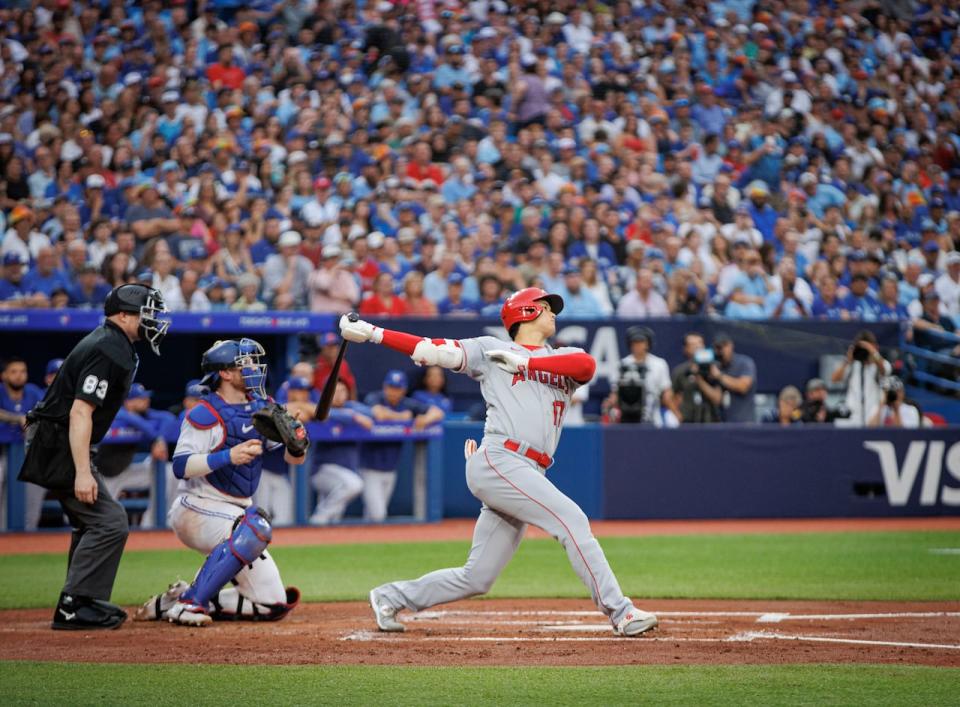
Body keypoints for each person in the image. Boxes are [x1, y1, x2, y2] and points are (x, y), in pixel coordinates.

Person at [341, 287, 658, 637]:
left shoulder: (565, 354)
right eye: (545, 306)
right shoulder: (490, 350)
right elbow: (428, 349)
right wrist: (372, 332)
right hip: (501, 458)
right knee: (572, 520)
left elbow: (586, 366)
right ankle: (622, 612)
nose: (553, 312)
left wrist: (527, 363)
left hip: (529, 468)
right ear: (524, 312)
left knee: (477, 577)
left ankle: (390, 595)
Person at [19, 284, 169, 630]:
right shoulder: (108, 348)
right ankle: (73, 605)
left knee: (90, 521)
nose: (153, 320)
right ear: (122, 315)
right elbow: (80, 412)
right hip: (58, 442)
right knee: (111, 521)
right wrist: (82, 471)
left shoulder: (115, 343)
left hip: (57, 439)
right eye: (146, 313)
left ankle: (81, 600)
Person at [135, 338, 306, 626]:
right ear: (225, 373)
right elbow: (180, 466)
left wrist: (297, 442)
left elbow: (293, 461)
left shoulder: (263, 406)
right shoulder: (205, 412)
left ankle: (174, 601)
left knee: (272, 605)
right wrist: (228, 456)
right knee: (255, 527)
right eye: (245, 364)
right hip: (197, 507)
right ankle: (189, 606)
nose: (254, 369)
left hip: (236, 513)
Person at [359, 370, 445, 522]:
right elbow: (379, 413)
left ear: (404, 389)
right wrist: (403, 417)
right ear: (385, 386)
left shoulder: (406, 403)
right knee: (378, 515)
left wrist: (425, 419)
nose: (394, 391)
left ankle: (362, 542)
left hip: (391, 471)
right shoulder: (375, 398)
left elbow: (438, 412)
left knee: (372, 516)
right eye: (391, 387)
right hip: (369, 469)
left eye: (398, 388)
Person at [96, 383, 175, 528]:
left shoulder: (144, 415)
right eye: (141, 399)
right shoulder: (117, 414)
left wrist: (159, 440)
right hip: (102, 476)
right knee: (98, 519)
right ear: (128, 402)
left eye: (146, 398)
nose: (146, 401)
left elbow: (168, 417)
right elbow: (127, 417)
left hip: (126, 472)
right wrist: (156, 439)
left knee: (169, 472)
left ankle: (150, 525)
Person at [309, 380, 372, 526]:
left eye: (343, 391)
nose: (339, 395)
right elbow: (315, 411)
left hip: (345, 472)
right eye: (335, 391)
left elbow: (370, 412)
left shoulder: (351, 407)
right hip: (323, 470)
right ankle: (319, 518)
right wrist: (352, 417)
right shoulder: (323, 409)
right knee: (354, 485)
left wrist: (352, 413)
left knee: (335, 517)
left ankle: (319, 530)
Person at [0, 357, 44, 527]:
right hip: (2, 452)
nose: (19, 376)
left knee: (33, 494)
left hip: (28, 454)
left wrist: (32, 421)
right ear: (4, 375)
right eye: (14, 372)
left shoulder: (32, 392)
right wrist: (16, 418)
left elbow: (45, 411)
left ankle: (27, 538)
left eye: (22, 371)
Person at [603, 326, 676, 426]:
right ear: (630, 344)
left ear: (648, 344)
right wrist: (610, 404)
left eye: (641, 342)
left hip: (653, 415)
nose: (638, 345)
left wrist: (676, 413)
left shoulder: (660, 364)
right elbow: (616, 393)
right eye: (635, 342)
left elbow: (667, 392)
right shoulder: (622, 365)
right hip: (626, 416)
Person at [830, 329, 891, 426]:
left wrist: (872, 351)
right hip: (853, 411)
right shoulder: (852, 365)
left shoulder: (880, 364)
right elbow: (834, 379)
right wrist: (848, 359)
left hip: (873, 412)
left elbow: (884, 370)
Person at [670, 332, 722, 424]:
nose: (697, 347)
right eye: (693, 345)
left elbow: (717, 399)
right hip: (687, 422)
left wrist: (699, 378)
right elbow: (670, 396)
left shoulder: (714, 369)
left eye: (700, 343)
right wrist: (678, 415)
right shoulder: (680, 371)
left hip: (711, 421)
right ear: (685, 349)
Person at [711, 333, 757, 423]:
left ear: (731, 345)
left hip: (744, 423)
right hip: (722, 423)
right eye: (718, 347)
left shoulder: (744, 362)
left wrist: (719, 376)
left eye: (724, 346)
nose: (721, 350)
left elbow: (743, 387)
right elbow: (717, 398)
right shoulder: (715, 366)